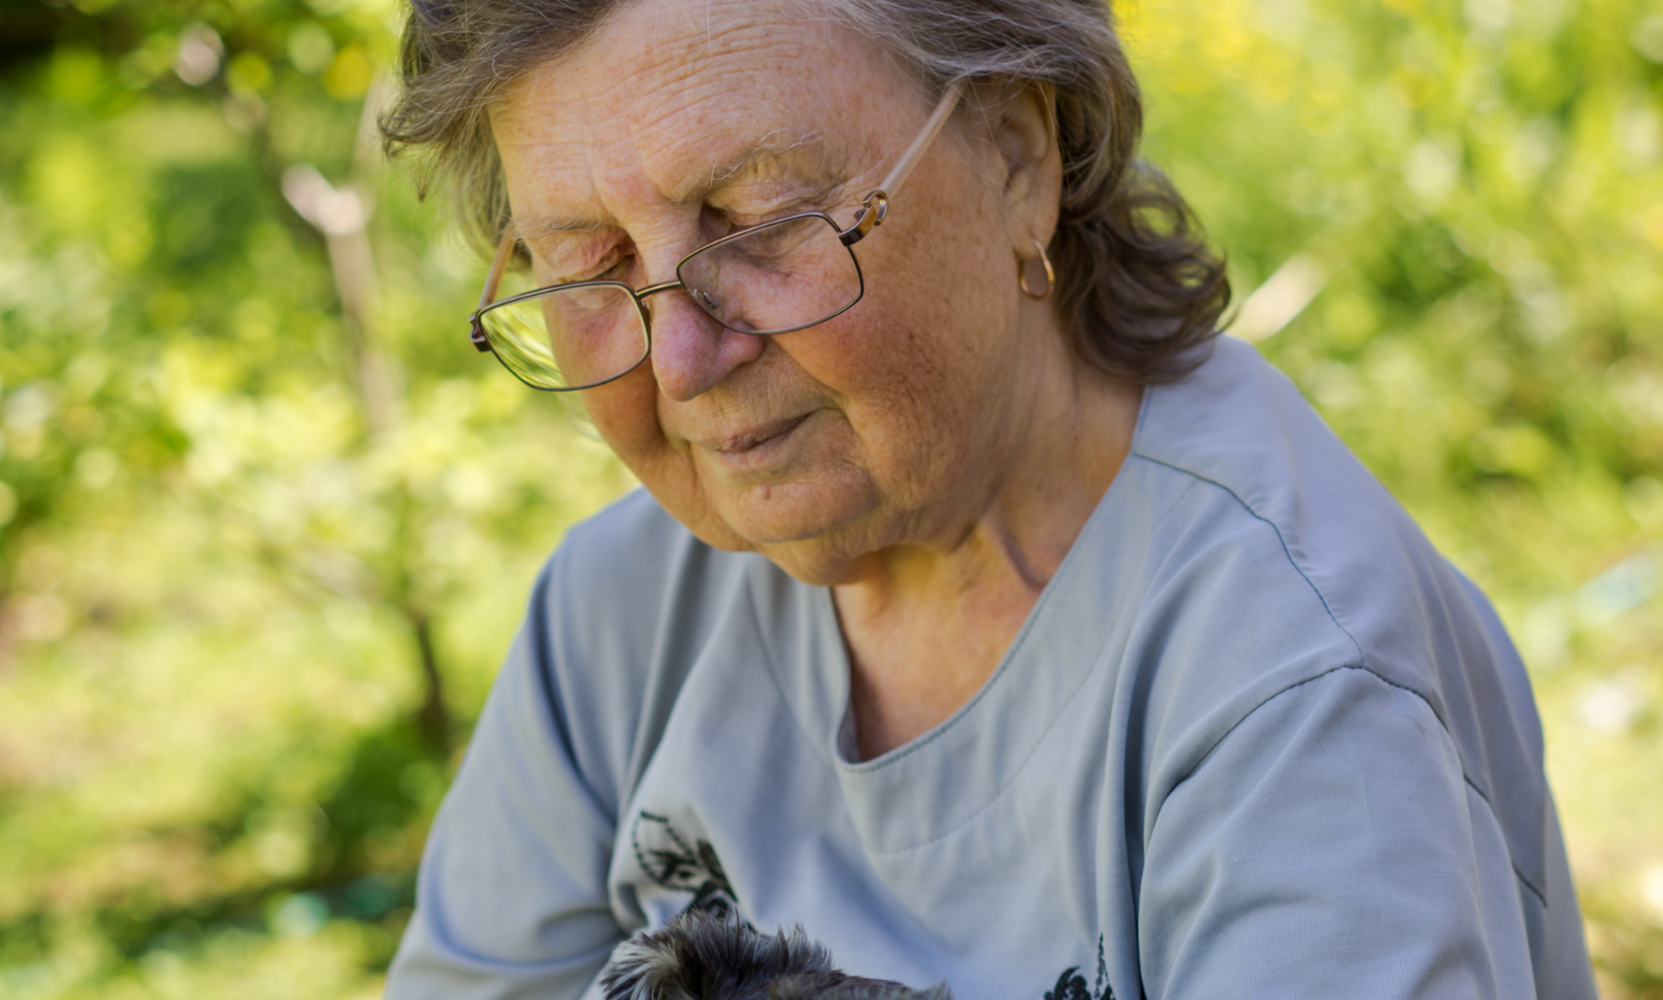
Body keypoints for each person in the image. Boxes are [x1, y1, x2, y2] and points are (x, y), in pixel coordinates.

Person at [378, 0, 1598, 997]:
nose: (680, 363)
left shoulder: (1293, 682)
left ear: (1020, 152)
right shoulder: (622, 609)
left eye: (757, 219)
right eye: (585, 266)